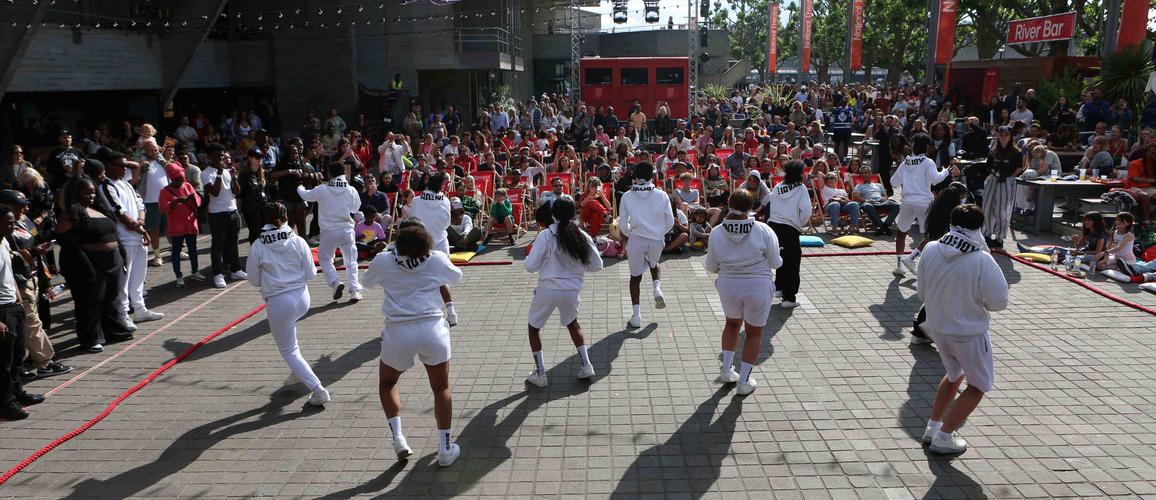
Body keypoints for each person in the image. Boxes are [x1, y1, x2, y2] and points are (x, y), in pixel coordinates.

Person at [362, 221, 463, 466]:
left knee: (387, 383)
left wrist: (388, 259)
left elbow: (366, 282)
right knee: (441, 388)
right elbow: (455, 276)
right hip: (432, 329)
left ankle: (398, 438)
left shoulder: (384, 260)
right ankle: (445, 448)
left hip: (398, 331)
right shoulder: (436, 258)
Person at [917, 204, 1008, 455]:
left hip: (937, 327)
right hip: (967, 332)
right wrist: (978, 303)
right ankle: (944, 436)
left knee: (954, 374)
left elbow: (922, 292)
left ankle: (932, 427)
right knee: (978, 385)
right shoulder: (981, 257)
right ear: (979, 227)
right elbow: (999, 301)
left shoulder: (931, 248)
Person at [245, 202, 331, 407]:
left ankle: (318, 390)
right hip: (302, 298)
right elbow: (311, 273)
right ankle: (297, 372)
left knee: (288, 351)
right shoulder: (298, 240)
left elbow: (254, 280)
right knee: (291, 341)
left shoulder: (257, 246)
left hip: (279, 303)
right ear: (285, 218)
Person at [704, 189, 781, 396]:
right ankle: (744, 381)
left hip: (728, 284)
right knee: (754, 332)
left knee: (731, 324)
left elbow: (711, 267)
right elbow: (776, 262)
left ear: (729, 203)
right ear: (751, 207)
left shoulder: (717, 231)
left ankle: (727, 370)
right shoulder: (763, 229)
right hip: (758, 284)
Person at [523, 199, 603, 387]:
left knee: (534, 328)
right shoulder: (581, 234)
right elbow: (597, 265)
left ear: (553, 215)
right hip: (572, 289)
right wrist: (578, 271)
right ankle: (586, 364)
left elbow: (530, 266)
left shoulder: (546, 235)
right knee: (572, 323)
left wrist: (535, 259)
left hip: (548, 289)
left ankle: (540, 374)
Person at [56, 176, 134, 352]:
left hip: (112, 261)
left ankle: (113, 330)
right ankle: (90, 338)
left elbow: (115, 234)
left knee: (110, 298)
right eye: (86, 192)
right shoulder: (70, 213)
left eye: (93, 191)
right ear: (77, 194)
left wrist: (121, 256)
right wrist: (86, 265)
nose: (91, 195)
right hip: (88, 263)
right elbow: (66, 240)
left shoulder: (99, 209)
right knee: (90, 301)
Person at [0, 191, 72, 381]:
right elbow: (12, 257)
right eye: (18, 206)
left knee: (30, 323)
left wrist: (44, 278)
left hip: (31, 277)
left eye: (25, 205)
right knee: (31, 323)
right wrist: (33, 251)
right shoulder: (4, 228)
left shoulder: (24, 221)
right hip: (17, 282)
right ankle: (44, 363)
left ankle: (24, 364)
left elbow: (35, 240)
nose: (24, 209)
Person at [99, 152, 163, 325]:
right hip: (124, 239)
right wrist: (140, 229)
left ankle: (140, 309)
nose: (124, 168)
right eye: (121, 165)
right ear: (109, 166)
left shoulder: (126, 184)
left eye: (125, 165)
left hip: (137, 236)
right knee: (124, 280)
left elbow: (140, 205)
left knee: (138, 276)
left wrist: (141, 224)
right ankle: (123, 313)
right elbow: (119, 212)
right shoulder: (106, 186)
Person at [0, 205, 44, 420]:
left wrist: (18, 299)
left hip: (13, 304)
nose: (12, 225)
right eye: (8, 222)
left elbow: (8, 273)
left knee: (18, 355)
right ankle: (5, 403)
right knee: (3, 361)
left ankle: (18, 393)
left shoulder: (5, 242)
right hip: (1, 311)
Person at [618, 162, 675, 328]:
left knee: (635, 278)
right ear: (653, 176)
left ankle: (636, 317)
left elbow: (622, 225)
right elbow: (670, 222)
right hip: (656, 240)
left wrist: (631, 234)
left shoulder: (627, 196)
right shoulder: (662, 195)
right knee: (654, 263)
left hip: (636, 239)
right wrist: (658, 232)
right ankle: (657, 289)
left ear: (635, 176)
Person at [891, 133, 956, 276]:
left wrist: (908, 182)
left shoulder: (905, 162)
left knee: (901, 232)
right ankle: (912, 258)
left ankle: (899, 266)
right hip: (923, 202)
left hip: (907, 201)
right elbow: (936, 179)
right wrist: (946, 171)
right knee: (932, 234)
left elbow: (893, 182)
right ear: (927, 147)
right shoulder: (928, 162)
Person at [297, 162, 363, 303]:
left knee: (325, 258)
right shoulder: (351, 190)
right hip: (347, 230)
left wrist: (299, 185)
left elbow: (305, 195)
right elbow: (355, 208)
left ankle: (335, 282)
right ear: (343, 173)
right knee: (351, 261)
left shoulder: (323, 189)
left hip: (329, 231)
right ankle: (355, 291)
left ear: (331, 174)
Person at [407, 173, 459, 326]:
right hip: (441, 243)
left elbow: (412, 221)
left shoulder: (416, 201)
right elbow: (447, 222)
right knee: (441, 279)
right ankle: (451, 312)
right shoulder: (445, 201)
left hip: (421, 243)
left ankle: (424, 313)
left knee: (420, 279)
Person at [201, 145, 246, 288]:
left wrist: (234, 177)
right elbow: (214, 192)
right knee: (218, 245)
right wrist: (219, 174)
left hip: (232, 211)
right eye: (218, 156)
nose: (221, 159)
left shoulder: (227, 171)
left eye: (222, 155)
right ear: (210, 157)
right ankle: (218, 274)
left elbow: (237, 191)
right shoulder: (206, 173)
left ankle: (235, 269)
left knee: (233, 242)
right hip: (217, 214)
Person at [767, 160, 810, 309]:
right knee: (792, 262)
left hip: (773, 225)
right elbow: (806, 210)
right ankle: (789, 298)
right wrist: (799, 224)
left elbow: (771, 204)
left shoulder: (778, 187)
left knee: (781, 257)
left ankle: (779, 287)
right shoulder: (801, 188)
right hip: (790, 227)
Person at [158, 163, 202, 288]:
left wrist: (193, 199)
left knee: (193, 249)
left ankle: (195, 272)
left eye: (182, 179)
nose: (181, 182)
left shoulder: (187, 185)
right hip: (176, 227)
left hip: (190, 224)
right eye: (178, 180)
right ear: (172, 179)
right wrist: (175, 202)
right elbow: (162, 207)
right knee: (176, 251)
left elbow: (198, 200)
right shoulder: (165, 191)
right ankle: (179, 276)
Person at [982, 126, 1023, 249]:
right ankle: (987, 235)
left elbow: (1019, 167)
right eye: (1001, 134)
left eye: (1006, 134)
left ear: (1010, 136)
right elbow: (988, 165)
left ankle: (999, 238)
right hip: (993, 179)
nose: (1003, 137)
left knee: (1002, 210)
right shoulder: (994, 150)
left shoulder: (1016, 152)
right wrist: (991, 174)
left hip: (1006, 181)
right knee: (987, 207)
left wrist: (1010, 177)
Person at [851, 164, 900, 234]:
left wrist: (884, 198)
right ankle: (884, 227)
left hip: (881, 202)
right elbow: (856, 196)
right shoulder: (859, 186)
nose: (863, 175)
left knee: (897, 205)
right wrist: (866, 200)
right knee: (866, 206)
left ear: (870, 173)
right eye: (862, 173)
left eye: (865, 173)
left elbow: (884, 196)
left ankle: (883, 226)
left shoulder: (878, 185)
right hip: (869, 203)